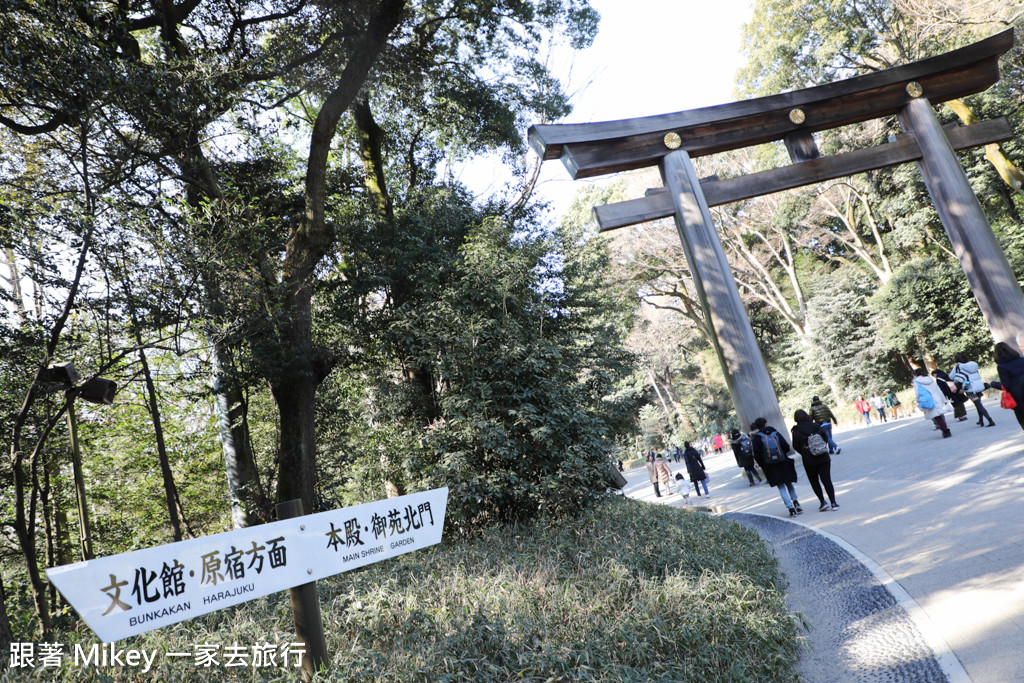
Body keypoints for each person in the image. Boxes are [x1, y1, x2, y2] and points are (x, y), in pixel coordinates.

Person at [750, 417, 802, 517]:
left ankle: (790, 509)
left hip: (771, 466)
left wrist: (764, 464)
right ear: (766, 424)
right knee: (789, 483)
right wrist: (782, 455)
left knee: (781, 487)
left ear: (757, 426)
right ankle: (795, 501)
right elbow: (786, 446)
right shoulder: (775, 433)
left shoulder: (757, 438)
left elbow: (757, 455)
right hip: (783, 462)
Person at [791, 410, 840, 512]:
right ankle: (833, 502)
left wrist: (805, 451)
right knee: (827, 480)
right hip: (823, 457)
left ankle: (823, 502)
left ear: (796, 419)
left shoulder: (796, 431)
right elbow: (825, 438)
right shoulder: (816, 426)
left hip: (809, 460)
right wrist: (820, 448)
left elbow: (795, 446)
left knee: (814, 482)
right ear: (807, 416)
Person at [951, 352, 995, 427]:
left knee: (979, 405)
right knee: (978, 405)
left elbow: (951, 377)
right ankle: (981, 420)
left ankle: (990, 420)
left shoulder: (958, 367)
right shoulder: (973, 364)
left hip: (970, 388)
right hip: (978, 386)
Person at [994, 340, 1024, 431]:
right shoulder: (1022, 360)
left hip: (1018, 397)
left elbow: (1005, 385)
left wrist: (992, 383)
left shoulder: (1001, 366)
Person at [913, 368, 952, 438]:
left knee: (937, 417)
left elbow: (918, 393)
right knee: (939, 414)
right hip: (937, 398)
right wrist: (944, 400)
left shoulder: (916, 382)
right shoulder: (930, 379)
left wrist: (919, 401)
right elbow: (938, 389)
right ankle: (944, 428)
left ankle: (945, 430)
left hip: (927, 400)